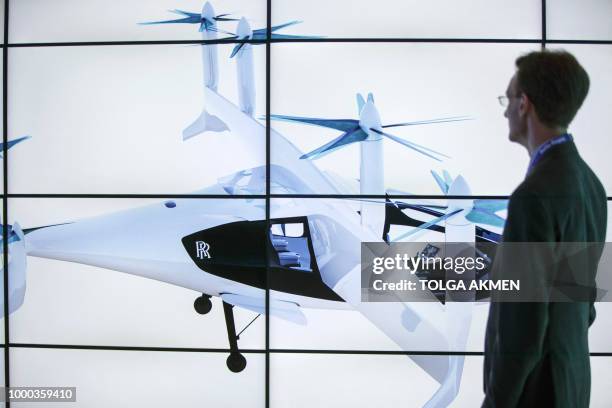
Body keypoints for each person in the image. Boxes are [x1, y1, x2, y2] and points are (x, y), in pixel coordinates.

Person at [482, 50, 607, 407]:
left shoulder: (533, 196)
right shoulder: (591, 184)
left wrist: (497, 402)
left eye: (508, 98)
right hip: (572, 384)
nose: (505, 109)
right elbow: (585, 302)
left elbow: (524, 327)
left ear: (525, 105)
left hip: (533, 394)